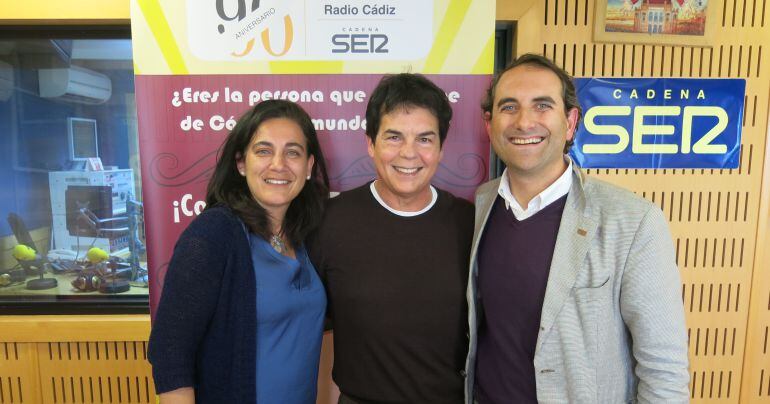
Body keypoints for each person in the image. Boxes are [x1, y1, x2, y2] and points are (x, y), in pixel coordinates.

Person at [465, 54, 690, 403]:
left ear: (570, 122)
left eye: (542, 106)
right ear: (489, 123)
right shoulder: (482, 204)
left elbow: (664, 370)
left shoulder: (633, 221)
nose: (524, 122)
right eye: (509, 107)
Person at [148, 100, 330, 404]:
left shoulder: (305, 236)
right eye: (263, 150)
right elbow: (170, 352)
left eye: (293, 152)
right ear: (241, 163)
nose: (278, 164)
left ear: (309, 166)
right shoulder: (214, 235)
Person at [310, 73, 474, 403]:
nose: (409, 154)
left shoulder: (469, 223)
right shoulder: (328, 221)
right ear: (370, 143)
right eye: (394, 137)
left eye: (425, 139)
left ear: (441, 148)